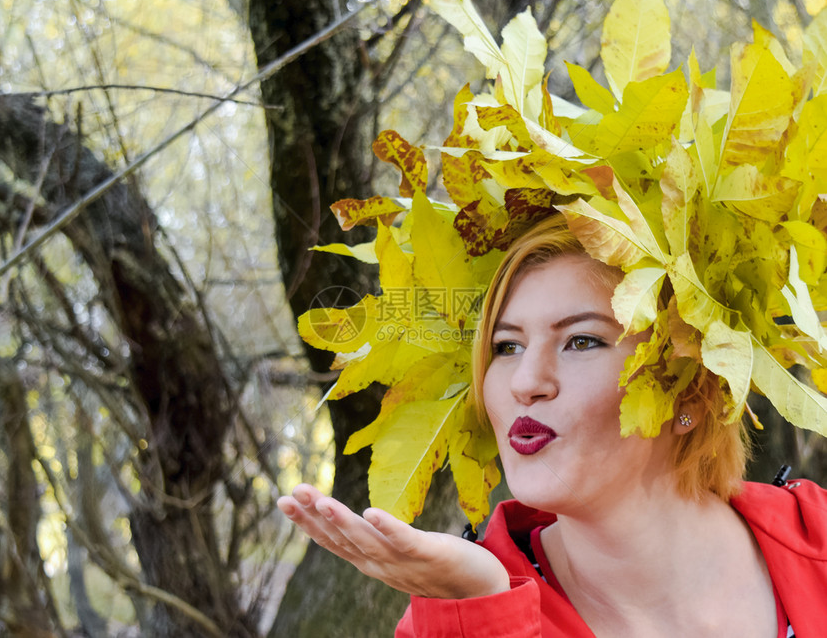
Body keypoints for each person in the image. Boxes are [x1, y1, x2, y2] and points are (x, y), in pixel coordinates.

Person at [278, 213, 827, 637]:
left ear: (693, 391)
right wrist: (485, 612)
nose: (525, 381)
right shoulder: (460, 613)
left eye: (580, 340)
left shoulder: (817, 541)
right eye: (506, 346)